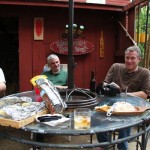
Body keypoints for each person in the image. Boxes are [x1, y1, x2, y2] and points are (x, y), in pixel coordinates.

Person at [96, 45, 150, 150]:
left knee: (124, 118)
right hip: (111, 101)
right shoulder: (116, 67)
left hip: (133, 105)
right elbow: (105, 83)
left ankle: (122, 146)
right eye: (127, 58)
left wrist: (122, 93)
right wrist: (106, 86)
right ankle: (104, 144)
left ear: (139, 59)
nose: (129, 61)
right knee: (99, 112)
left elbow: (145, 93)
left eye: (132, 58)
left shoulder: (145, 73)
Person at [31, 54, 68, 150]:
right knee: (38, 114)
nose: (56, 65)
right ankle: (38, 144)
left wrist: (56, 87)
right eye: (53, 63)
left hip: (61, 99)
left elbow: (70, 87)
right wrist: (46, 95)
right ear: (48, 65)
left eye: (57, 62)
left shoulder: (66, 74)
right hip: (46, 99)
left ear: (59, 62)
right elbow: (40, 89)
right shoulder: (45, 75)